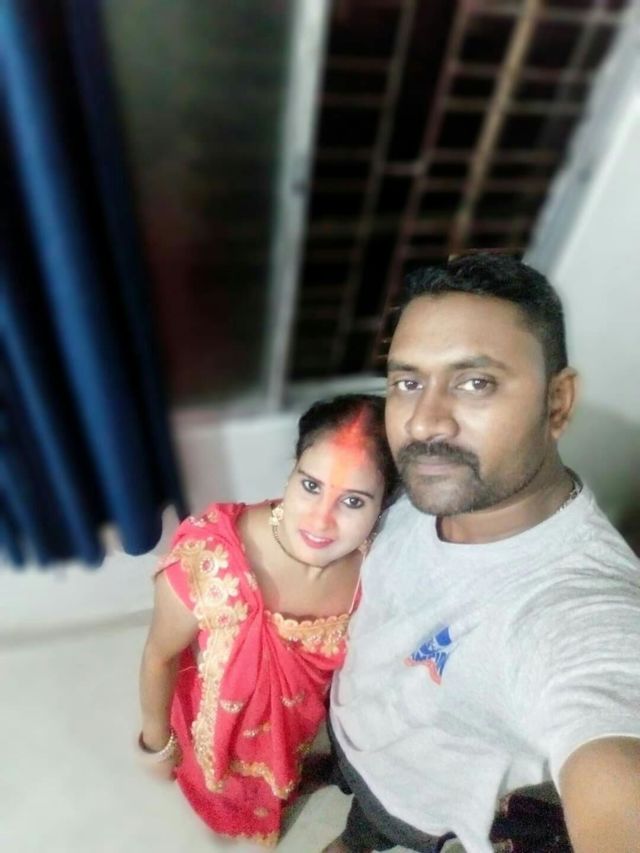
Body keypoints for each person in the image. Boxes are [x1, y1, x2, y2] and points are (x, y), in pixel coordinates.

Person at [324, 254, 640, 853]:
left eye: (476, 383)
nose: (424, 424)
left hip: (418, 802)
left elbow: (613, 751)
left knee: (366, 830)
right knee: (346, 793)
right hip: (352, 724)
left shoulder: (575, 615)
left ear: (557, 402)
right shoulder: (419, 485)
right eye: (407, 383)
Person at [137, 394, 398, 846]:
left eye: (353, 501)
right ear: (292, 472)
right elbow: (160, 656)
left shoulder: (376, 569)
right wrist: (156, 744)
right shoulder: (208, 564)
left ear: (383, 507)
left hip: (298, 728)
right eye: (311, 486)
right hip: (218, 730)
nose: (321, 520)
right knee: (223, 788)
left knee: (284, 774)